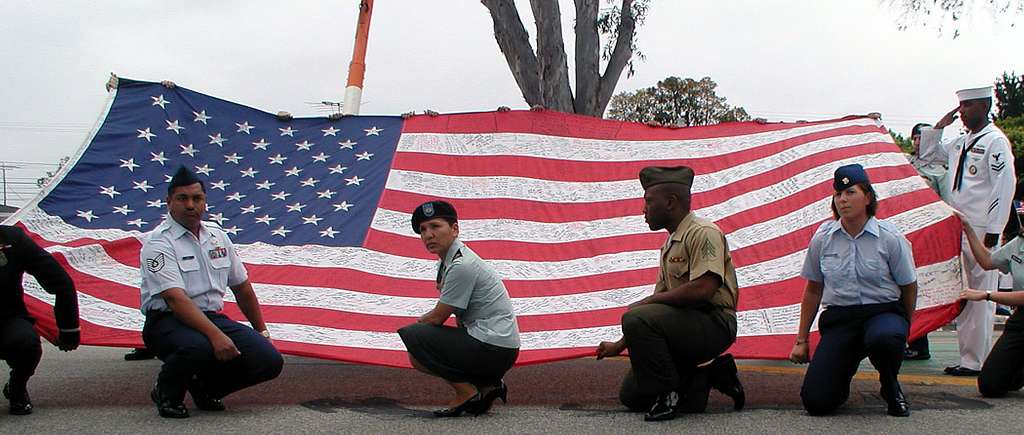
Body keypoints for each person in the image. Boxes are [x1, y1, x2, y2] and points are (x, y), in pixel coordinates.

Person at [595, 166, 744, 422]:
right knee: (632, 396)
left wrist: (646, 304)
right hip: (685, 327)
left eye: (649, 201)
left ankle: (668, 395)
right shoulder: (669, 244)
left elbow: (703, 289)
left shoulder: (703, 233)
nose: (644, 209)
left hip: (715, 322)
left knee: (636, 317)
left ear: (671, 202)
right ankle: (712, 375)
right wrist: (618, 346)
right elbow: (654, 312)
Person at [140, 166, 283, 418]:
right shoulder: (158, 242)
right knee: (200, 347)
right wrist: (216, 336)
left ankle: (204, 387)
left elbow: (242, 287)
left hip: (210, 316)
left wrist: (262, 331)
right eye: (182, 199)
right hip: (166, 322)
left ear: (205, 201)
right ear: (169, 202)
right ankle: (166, 391)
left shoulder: (217, 236)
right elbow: (175, 298)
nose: (190, 205)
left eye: (197, 198)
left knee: (268, 359)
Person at [790, 164, 918, 417]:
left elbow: (908, 286)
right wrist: (801, 340)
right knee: (816, 402)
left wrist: (904, 327)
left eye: (850, 192)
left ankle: (890, 385)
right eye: (838, 194)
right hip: (841, 319)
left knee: (885, 337)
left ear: (868, 197)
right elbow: (813, 290)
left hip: (882, 313)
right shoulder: (824, 238)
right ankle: (839, 381)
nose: (842, 200)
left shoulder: (889, 237)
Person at [920, 85, 1016, 376]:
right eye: (961, 106)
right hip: (959, 226)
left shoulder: (995, 142)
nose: (963, 112)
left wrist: (993, 230)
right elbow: (929, 156)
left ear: (985, 106)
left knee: (981, 292)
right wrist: (939, 127)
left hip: (983, 227)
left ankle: (977, 361)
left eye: (970, 105)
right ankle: (968, 357)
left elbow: (1004, 186)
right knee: (964, 291)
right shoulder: (962, 142)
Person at [397, 200, 520, 417]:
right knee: (420, 345)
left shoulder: (462, 265)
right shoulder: (448, 262)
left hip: (493, 347)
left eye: (435, 226)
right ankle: (487, 386)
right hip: (495, 345)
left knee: (414, 336)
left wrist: (416, 329)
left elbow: (437, 318)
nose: (428, 235)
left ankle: (466, 391)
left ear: (455, 229)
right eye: (423, 230)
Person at [0, 225, 80, 415]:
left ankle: (17, 387)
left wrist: (69, 331)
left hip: (5, 319)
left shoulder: (12, 238)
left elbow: (60, 282)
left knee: (27, 344)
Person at [956, 208, 1024, 397]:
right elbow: (987, 261)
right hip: (1022, 319)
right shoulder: (1018, 243)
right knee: (990, 385)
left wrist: (986, 294)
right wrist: (968, 228)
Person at [904, 122, 941, 361]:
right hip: (905, 233)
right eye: (917, 137)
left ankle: (919, 343)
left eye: (924, 137)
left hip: (928, 236)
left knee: (921, 289)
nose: (920, 141)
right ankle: (909, 339)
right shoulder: (903, 162)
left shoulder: (941, 169)